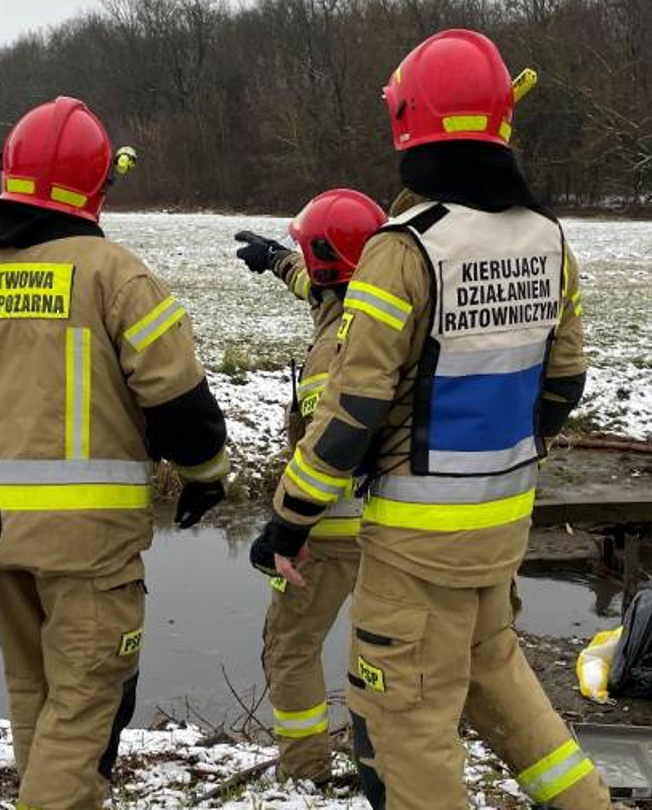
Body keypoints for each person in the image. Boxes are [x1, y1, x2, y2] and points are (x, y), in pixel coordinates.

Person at [246, 29, 610, 809]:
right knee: (502, 685)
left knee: (404, 726)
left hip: (416, 548)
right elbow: (566, 379)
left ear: (408, 123)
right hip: (503, 526)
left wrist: (290, 517)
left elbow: (354, 412)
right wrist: (513, 455)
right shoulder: (548, 238)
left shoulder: (404, 249)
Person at [0, 96, 229, 809]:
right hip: (89, 544)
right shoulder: (114, 275)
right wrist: (206, 477)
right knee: (88, 706)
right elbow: (182, 406)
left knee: (36, 696)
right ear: (96, 184)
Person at [231, 188, 387, 782]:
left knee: (291, 647)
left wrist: (284, 530)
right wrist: (276, 259)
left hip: (327, 532)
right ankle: (394, 756)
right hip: (395, 527)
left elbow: (331, 452)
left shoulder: (332, 356)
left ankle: (305, 769)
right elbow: (326, 288)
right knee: (386, 650)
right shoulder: (385, 303)